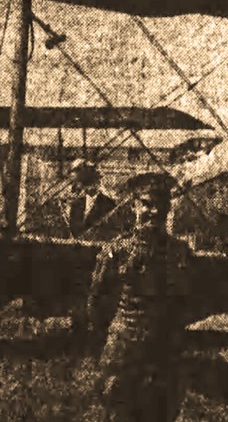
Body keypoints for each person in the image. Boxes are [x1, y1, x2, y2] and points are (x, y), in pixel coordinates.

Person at [86, 171, 193, 422]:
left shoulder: (180, 252)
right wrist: (111, 334)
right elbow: (96, 300)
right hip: (123, 349)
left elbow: (186, 302)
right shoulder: (117, 250)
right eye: (146, 204)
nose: (153, 212)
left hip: (163, 349)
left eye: (160, 206)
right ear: (134, 206)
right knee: (119, 411)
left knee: (160, 411)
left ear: (168, 210)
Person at [64, 158, 117, 239]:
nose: (73, 188)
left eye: (77, 183)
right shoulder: (76, 204)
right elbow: (74, 230)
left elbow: (110, 233)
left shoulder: (109, 205)